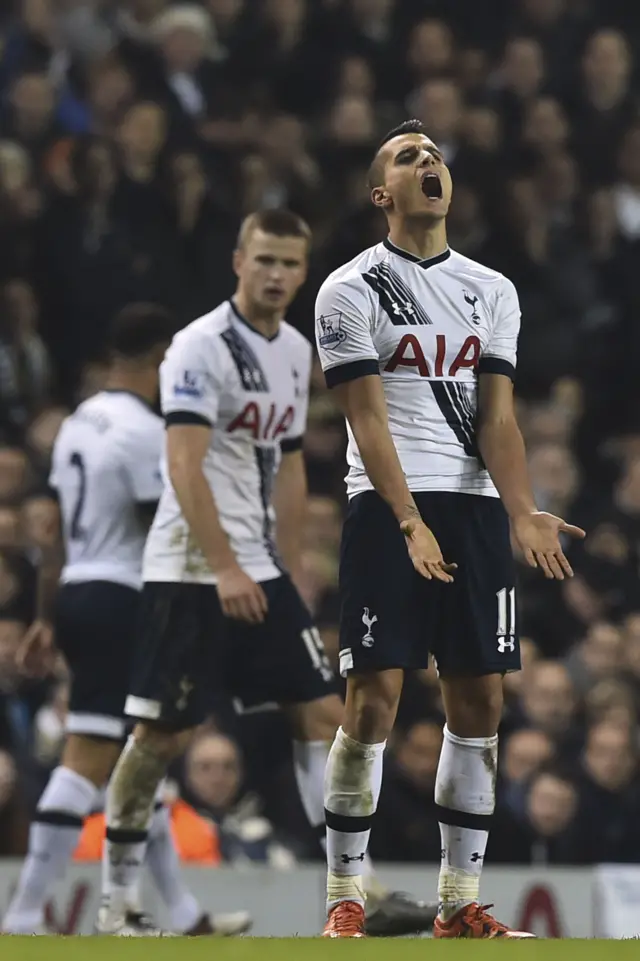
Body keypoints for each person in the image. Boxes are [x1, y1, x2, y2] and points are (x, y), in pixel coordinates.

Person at [97, 208, 435, 938]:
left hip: (256, 568)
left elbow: (285, 461)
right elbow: (183, 464)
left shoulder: (291, 350)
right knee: (162, 734)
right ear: (238, 261)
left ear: (302, 270)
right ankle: (117, 902)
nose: (277, 275)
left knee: (323, 715)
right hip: (190, 569)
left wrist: (283, 561)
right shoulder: (196, 347)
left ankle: (358, 893)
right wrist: (224, 566)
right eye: (266, 261)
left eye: (290, 263)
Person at [314, 118, 586, 939]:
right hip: (385, 504)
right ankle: (344, 898)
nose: (428, 162)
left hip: (470, 509)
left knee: (481, 701)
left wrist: (521, 507)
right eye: (407, 156)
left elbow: (497, 417)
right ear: (381, 193)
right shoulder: (349, 288)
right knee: (374, 701)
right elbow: (366, 416)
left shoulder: (491, 289)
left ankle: (456, 903)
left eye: (435, 155)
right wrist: (406, 520)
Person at [2, 304, 248, 937]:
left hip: (83, 591)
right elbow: (161, 522)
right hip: (124, 598)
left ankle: (183, 911)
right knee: (88, 759)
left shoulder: (78, 424)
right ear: (159, 359)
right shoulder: (143, 431)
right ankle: (25, 914)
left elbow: (54, 529)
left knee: (146, 759)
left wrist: (46, 615)